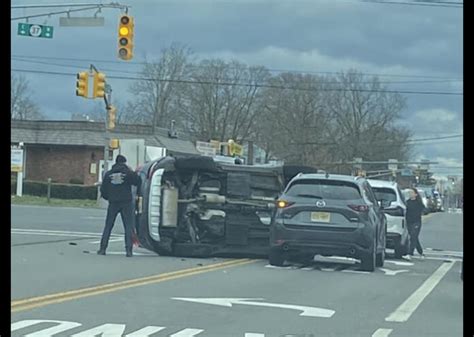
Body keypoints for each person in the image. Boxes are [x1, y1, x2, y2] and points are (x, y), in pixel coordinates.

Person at [98, 155, 140, 257]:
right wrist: (134, 171)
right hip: (126, 202)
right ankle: (128, 250)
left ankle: (103, 249)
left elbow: (103, 190)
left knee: (108, 226)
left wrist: (109, 197)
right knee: (128, 226)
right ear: (124, 162)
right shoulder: (127, 173)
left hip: (113, 202)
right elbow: (138, 181)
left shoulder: (109, 174)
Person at [403, 188, 426, 260]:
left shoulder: (419, 203)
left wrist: (420, 213)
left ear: (415, 194)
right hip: (409, 222)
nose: (410, 194)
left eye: (412, 193)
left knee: (413, 237)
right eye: (409, 193)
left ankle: (410, 254)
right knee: (414, 238)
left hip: (416, 222)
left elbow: (424, 210)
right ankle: (421, 253)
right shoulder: (407, 202)